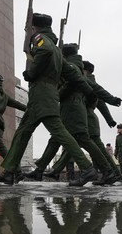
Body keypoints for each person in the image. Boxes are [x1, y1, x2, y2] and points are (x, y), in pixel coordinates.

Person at [0, 13, 100, 186]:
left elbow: (44, 51)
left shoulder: (40, 39)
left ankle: (87, 168)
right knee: (22, 132)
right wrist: (90, 90)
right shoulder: (57, 50)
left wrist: (31, 72)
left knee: (59, 131)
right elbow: (72, 73)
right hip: (45, 94)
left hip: (41, 93)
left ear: (34, 27)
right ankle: (10, 171)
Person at [24, 43, 114, 184]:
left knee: (83, 139)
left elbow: (75, 86)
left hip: (72, 108)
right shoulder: (74, 65)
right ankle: (40, 170)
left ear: (64, 55)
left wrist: (56, 96)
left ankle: (107, 171)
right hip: (70, 108)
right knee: (56, 139)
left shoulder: (72, 66)